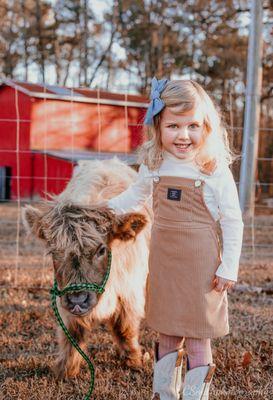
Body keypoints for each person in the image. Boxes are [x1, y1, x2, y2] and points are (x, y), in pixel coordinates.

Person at [107, 77, 244, 400]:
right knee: (167, 333)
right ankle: (164, 393)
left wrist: (229, 267)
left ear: (207, 127)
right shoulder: (154, 164)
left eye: (193, 126)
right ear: (158, 127)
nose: (183, 135)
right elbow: (131, 198)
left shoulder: (212, 169)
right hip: (165, 264)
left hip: (202, 270)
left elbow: (232, 221)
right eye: (173, 126)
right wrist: (102, 208)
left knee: (197, 337)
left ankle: (196, 396)